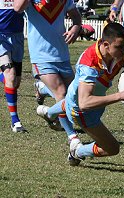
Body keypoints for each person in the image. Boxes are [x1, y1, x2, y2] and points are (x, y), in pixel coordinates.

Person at [35, 23, 124, 166]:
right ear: (106, 45)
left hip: (82, 97)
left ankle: (48, 112)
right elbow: (84, 103)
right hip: (82, 111)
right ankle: (77, 151)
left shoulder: (123, 52)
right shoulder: (89, 64)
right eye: (119, 47)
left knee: (68, 101)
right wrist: (121, 95)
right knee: (113, 148)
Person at [14, 1, 82, 143]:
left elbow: (75, 16)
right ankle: (72, 137)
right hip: (41, 55)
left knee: (75, 96)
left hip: (62, 54)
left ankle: (44, 94)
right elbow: (17, 8)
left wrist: (76, 28)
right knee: (62, 94)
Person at [0, 1, 27, 132]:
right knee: (10, 75)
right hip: (1, 36)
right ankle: (15, 121)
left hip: (17, 37)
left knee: (15, 82)